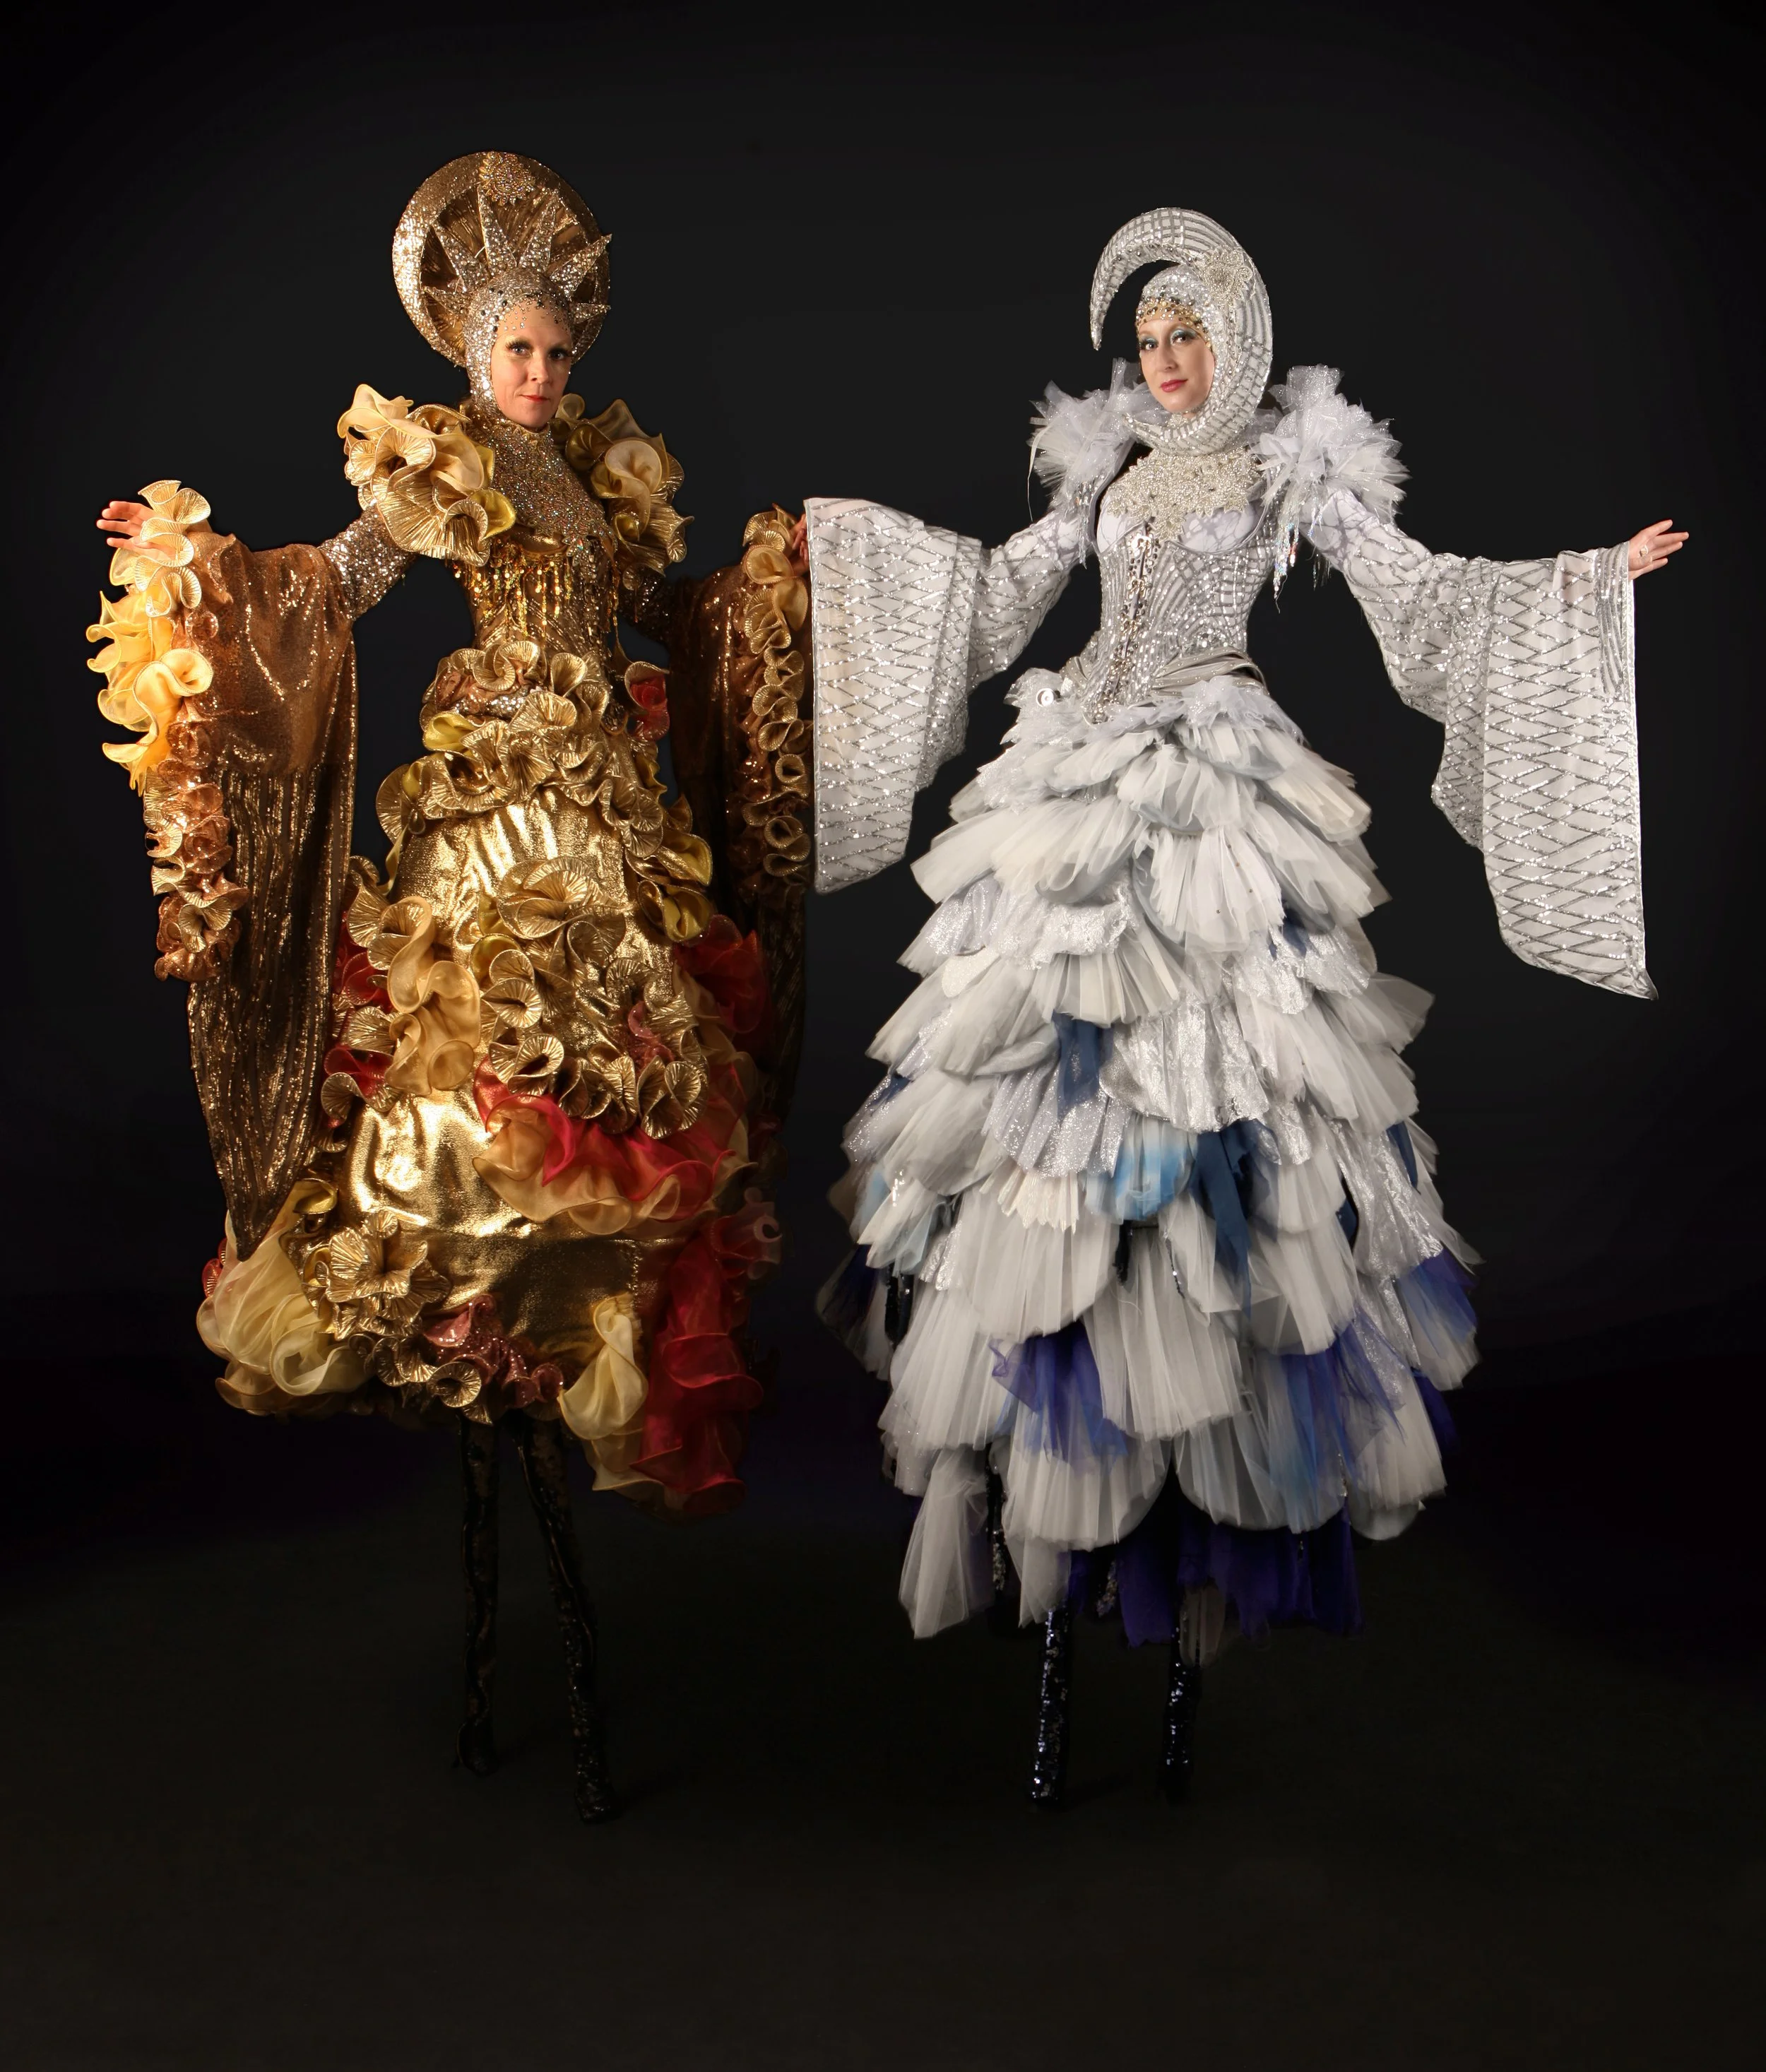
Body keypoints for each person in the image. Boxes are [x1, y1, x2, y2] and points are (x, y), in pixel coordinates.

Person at [808, 207, 1684, 1804]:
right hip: (1075, 776)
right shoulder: (1107, 471)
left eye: (1186, 334)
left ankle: (1173, 1638)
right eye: (1146, 340)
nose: (1163, 361)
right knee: (1046, 1145)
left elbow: (1421, 595)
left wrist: (1586, 583)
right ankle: (1060, 1597)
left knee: (1224, 1149)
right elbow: (1000, 593)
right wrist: (858, 554)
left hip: (1215, 793)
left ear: (1238, 338)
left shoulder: (1291, 467)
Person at [90, 151, 814, 1821]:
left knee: (623, 1095)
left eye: (554, 352)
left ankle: (548, 1419)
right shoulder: (453, 464)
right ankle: (494, 1433)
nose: (539, 374)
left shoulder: (596, 481)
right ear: (473, 360)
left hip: (603, 826)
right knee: (485, 1091)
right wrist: (203, 582)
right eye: (515, 354)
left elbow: (665, 617)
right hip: (497, 824)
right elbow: (339, 581)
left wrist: (767, 593)